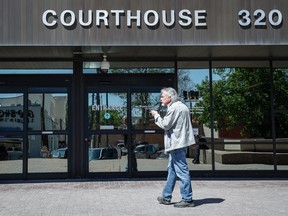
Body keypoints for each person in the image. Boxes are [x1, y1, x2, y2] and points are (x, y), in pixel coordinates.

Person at [150, 87, 196, 208]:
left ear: (170, 97)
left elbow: (165, 125)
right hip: (180, 143)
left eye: (163, 96)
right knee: (172, 171)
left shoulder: (174, 108)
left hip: (176, 144)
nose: (160, 98)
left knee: (182, 171)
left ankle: (187, 198)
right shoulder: (183, 106)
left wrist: (156, 115)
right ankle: (166, 196)